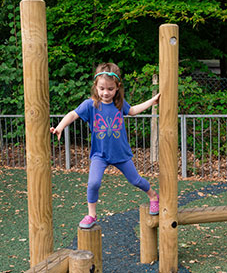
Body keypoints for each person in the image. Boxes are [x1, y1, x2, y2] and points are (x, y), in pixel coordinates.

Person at [50, 62, 160, 229]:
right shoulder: (91, 105)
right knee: (93, 183)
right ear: (96, 87)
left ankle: (153, 196)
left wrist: (152, 101)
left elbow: (133, 111)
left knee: (136, 180)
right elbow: (73, 114)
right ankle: (91, 215)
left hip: (120, 154)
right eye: (102, 88)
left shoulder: (119, 104)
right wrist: (60, 127)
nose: (105, 92)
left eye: (110, 89)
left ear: (117, 88)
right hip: (99, 154)